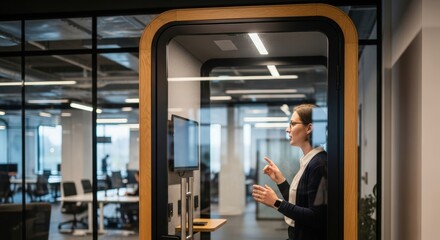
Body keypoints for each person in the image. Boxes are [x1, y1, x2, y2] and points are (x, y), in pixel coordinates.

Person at [252, 104, 328, 240]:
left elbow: (316, 217)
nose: (288, 129)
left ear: (309, 128)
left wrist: (276, 202)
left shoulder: (318, 165)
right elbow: (298, 203)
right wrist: (280, 180)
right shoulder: (310, 161)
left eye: (292, 124)